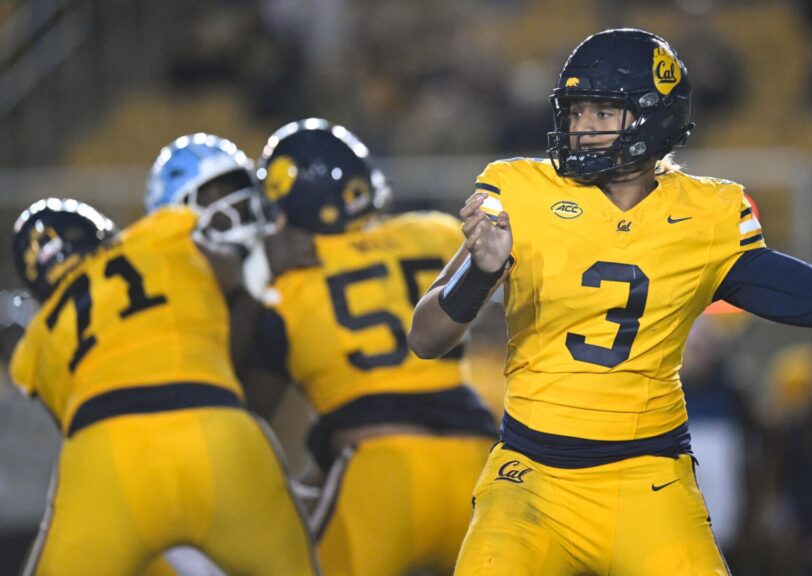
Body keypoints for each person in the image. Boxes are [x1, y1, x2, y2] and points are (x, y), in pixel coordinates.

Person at [408, 28, 812, 574]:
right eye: (575, 111)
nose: (581, 126)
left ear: (653, 117)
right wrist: (480, 274)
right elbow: (425, 338)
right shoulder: (520, 191)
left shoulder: (707, 215)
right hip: (530, 477)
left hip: (646, 479)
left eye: (602, 112)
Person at [10, 136, 319, 575]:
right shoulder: (161, 237)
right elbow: (227, 274)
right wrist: (263, 265)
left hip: (108, 455)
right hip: (216, 433)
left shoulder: (40, 335)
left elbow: (62, 408)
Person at [245, 118, 498, 576]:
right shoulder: (437, 233)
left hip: (379, 473)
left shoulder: (287, 280)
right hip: (476, 465)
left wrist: (253, 275)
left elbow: (251, 407)